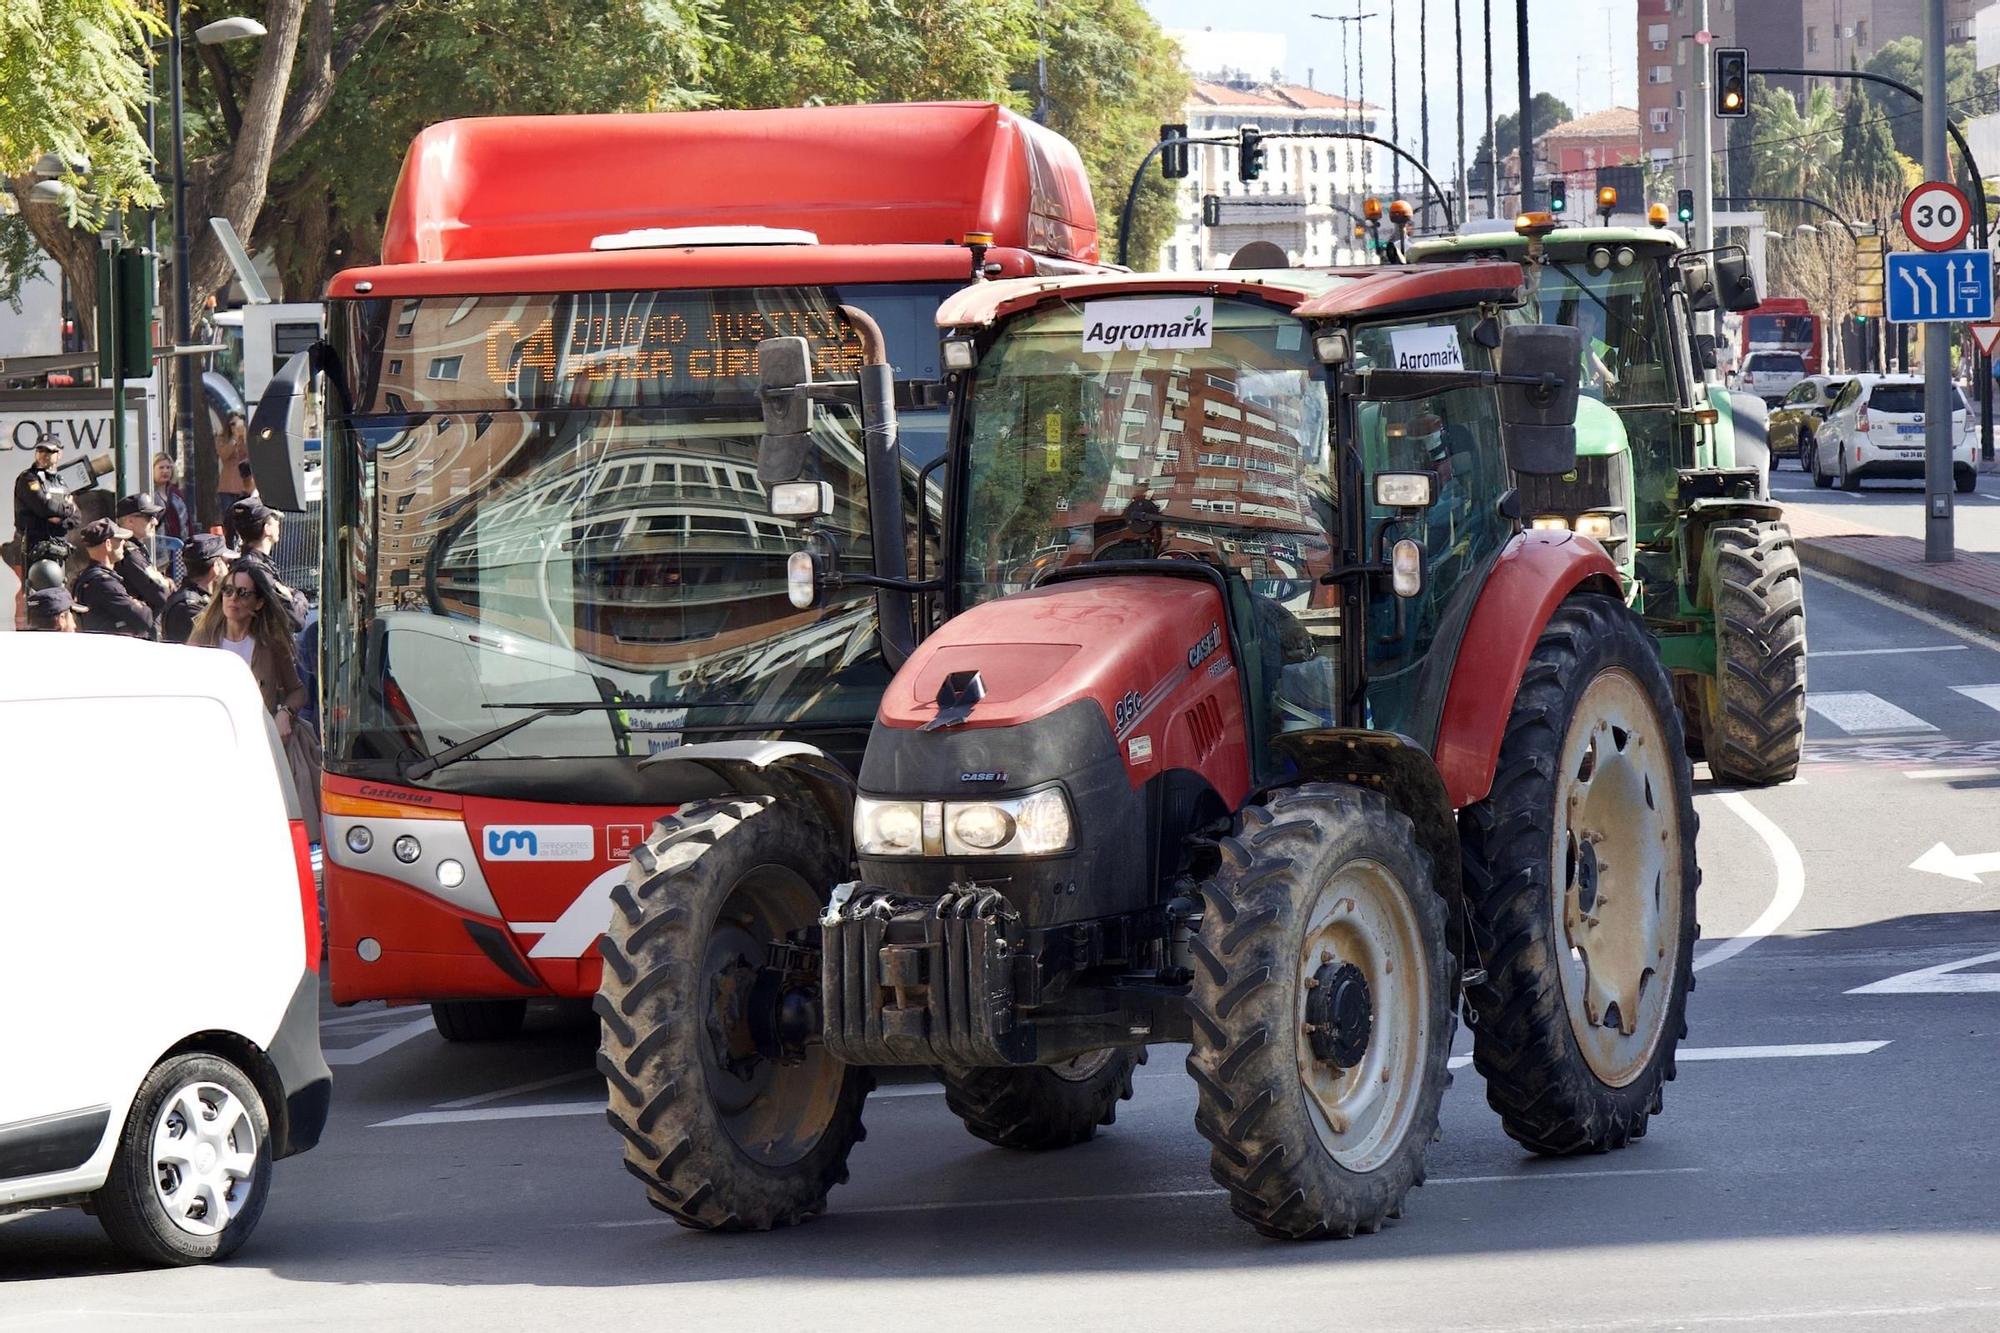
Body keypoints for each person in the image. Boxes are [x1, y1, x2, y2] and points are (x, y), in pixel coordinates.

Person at [190, 562, 321, 840]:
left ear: (259, 603)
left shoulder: (270, 643)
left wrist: (285, 712)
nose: (232, 599)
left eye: (242, 593)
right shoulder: (202, 639)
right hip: (214, 747)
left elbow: (298, 691)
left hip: (260, 747)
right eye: (227, 591)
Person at [70, 518, 155, 638]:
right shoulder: (105, 583)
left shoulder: (85, 578)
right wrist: (142, 605)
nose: (124, 543)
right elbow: (145, 618)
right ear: (108, 544)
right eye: (120, 540)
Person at [231, 500, 307, 631]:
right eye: (275, 519)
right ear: (267, 529)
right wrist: (298, 596)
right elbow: (295, 619)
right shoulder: (256, 569)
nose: (279, 523)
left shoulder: (249, 564)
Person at [11, 437, 79, 561]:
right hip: (36, 547)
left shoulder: (60, 482)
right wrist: (68, 509)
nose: (43, 455)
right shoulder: (29, 478)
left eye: (48, 451)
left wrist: (59, 521)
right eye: (40, 450)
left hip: (59, 547)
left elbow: (77, 517)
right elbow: (44, 507)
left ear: (59, 454)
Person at [113, 494, 173, 621]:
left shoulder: (136, 549)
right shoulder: (129, 553)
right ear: (130, 521)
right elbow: (161, 594)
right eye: (149, 517)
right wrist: (166, 583)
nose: (155, 522)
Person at [162, 532, 228, 645]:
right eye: (226, 563)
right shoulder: (188, 608)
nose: (228, 567)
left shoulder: (200, 598)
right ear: (216, 567)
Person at [148, 453, 195, 543]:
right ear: (152, 470)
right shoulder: (149, 494)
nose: (165, 471)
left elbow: (187, 521)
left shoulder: (176, 493)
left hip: (178, 545)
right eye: (161, 468)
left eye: (168, 467)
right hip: (157, 545)